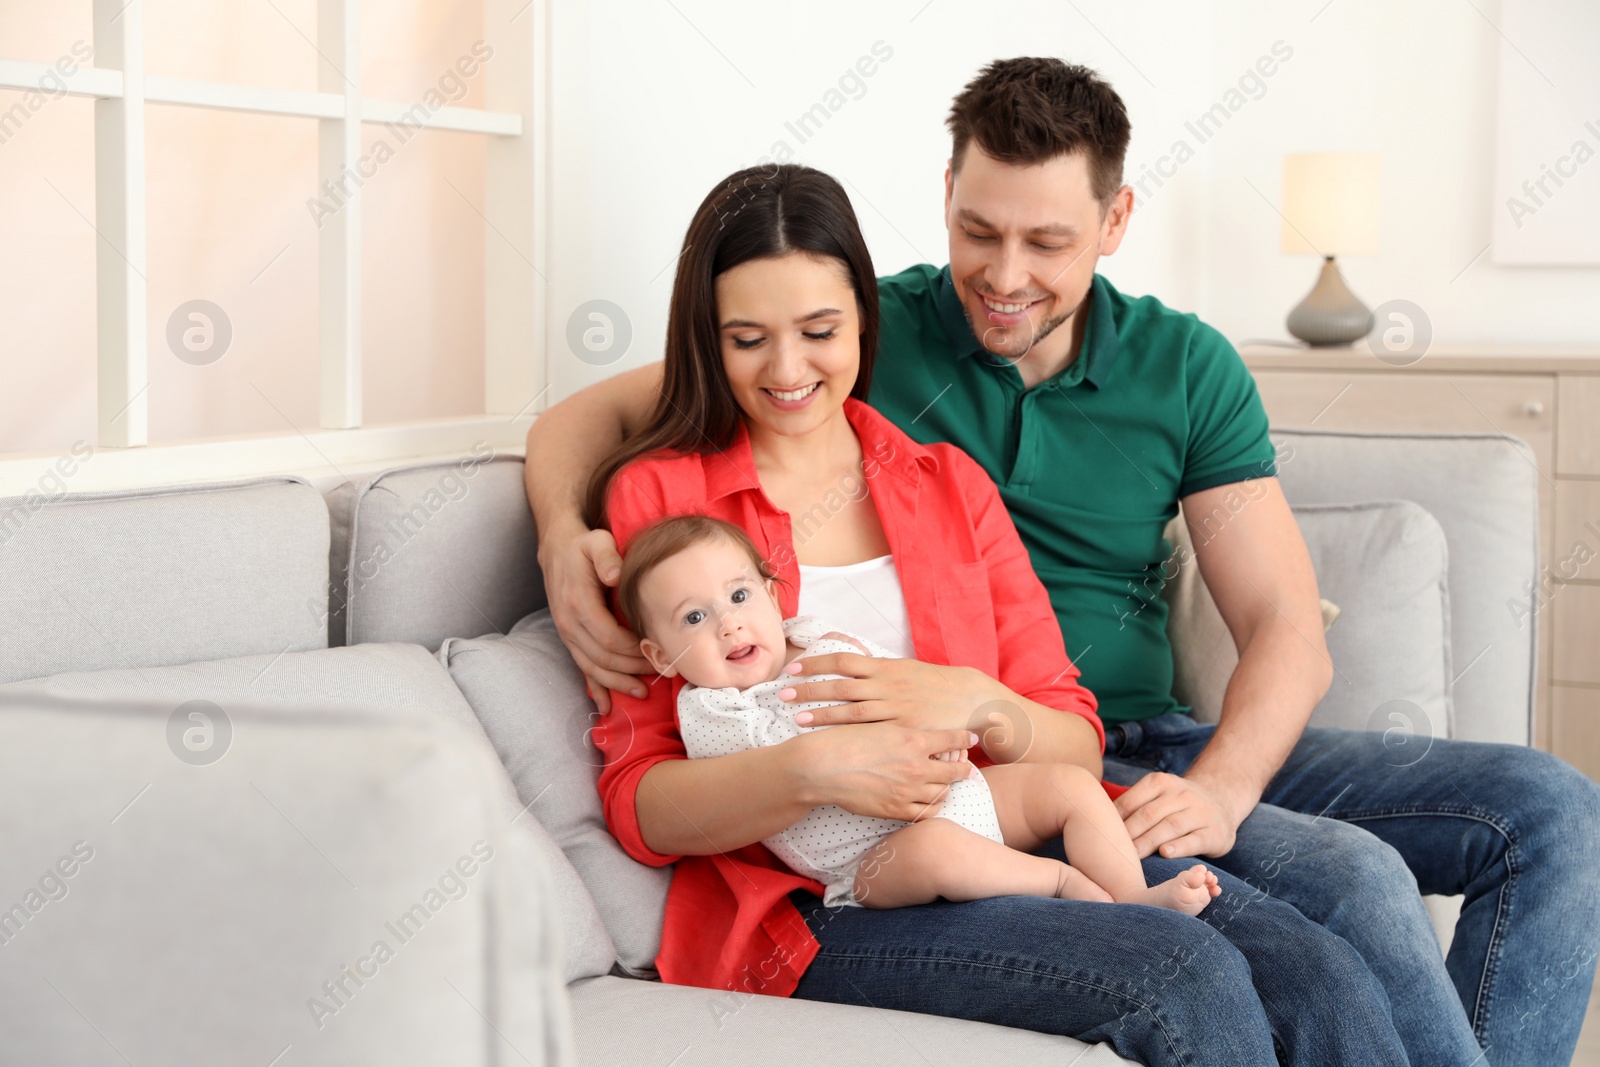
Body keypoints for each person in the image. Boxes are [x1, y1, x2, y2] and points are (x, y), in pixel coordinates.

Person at [528, 57, 1600, 1067]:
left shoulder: (1091, 405)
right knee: (1312, 903)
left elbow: (1272, 625)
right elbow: (636, 408)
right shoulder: (852, 338)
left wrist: (1213, 788)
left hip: (1077, 749)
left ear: (1114, 220)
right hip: (895, 842)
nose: (1002, 276)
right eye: (977, 231)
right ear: (942, 196)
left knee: (1535, 813)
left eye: (1045, 241)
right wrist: (562, 534)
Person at [616, 512, 1223, 914]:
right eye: (693, 619)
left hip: (967, 793)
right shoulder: (716, 712)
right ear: (658, 655)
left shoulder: (824, 639)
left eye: (740, 595)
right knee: (937, 851)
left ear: (774, 597)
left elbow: (904, 690)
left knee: (1067, 785)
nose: (728, 622)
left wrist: (946, 731)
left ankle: (1135, 896)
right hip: (871, 862)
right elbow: (738, 789)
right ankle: (1060, 883)